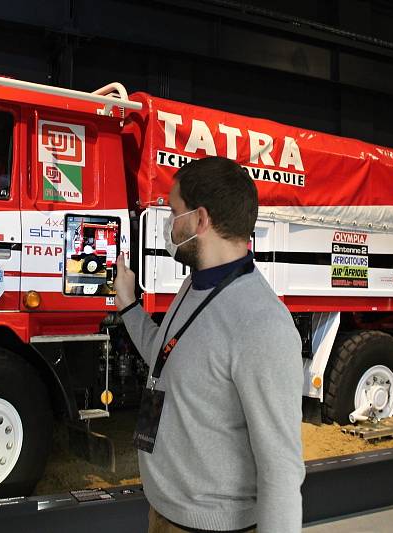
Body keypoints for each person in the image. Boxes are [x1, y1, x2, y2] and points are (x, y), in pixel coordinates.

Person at [114, 156, 305, 533]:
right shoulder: (195, 286)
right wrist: (129, 306)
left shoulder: (262, 324)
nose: (169, 224)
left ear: (200, 220)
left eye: (173, 211)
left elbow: (281, 470)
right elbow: (164, 356)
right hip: (164, 512)